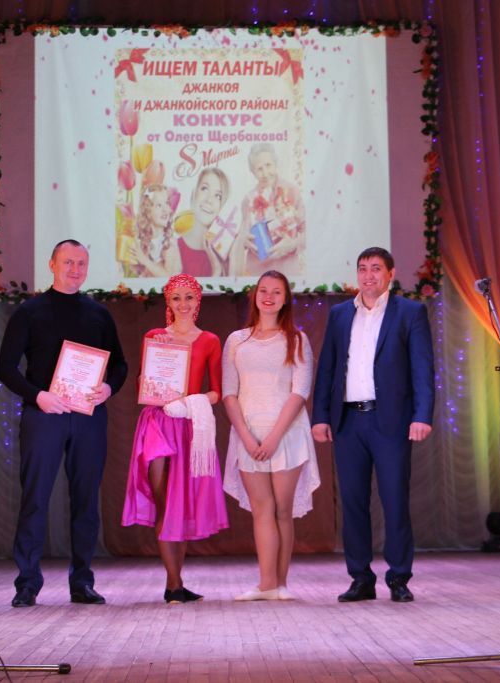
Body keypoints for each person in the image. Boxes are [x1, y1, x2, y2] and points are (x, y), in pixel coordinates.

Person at [0, 239, 128, 608]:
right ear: (52, 264)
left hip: (89, 418)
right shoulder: (29, 312)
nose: (75, 269)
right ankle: (27, 583)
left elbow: (120, 364)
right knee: (35, 498)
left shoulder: (99, 314)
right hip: (44, 415)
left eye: (81, 263)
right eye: (68, 262)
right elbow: (5, 368)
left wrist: (108, 388)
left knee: (86, 500)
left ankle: (82, 582)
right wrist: (37, 395)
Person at [311, 247, 434, 603]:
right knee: (352, 503)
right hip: (348, 421)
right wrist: (321, 416)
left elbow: (422, 369)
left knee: (394, 500)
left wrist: (422, 415)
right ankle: (360, 578)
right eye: (363, 269)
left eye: (376, 269)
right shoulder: (340, 314)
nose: (368, 276)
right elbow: (328, 368)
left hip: (390, 421)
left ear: (390, 274)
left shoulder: (409, 312)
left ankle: (398, 577)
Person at [122, 274, 229, 602]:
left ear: (198, 301)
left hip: (189, 426)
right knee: (165, 503)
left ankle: (175, 585)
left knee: (180, 505)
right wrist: (151, 384)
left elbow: (217, 391)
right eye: (176, 298)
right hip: (158, 425)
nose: (183, 304)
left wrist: (190, 402)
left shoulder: (209, 340)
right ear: (168, 302)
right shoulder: (154, 337)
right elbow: (142, 382)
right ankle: (173, 583)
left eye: (189, 297)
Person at [222, 271, 320, 601]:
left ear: (285, 298)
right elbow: (229, 393)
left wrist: (275, 436)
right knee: (261, 509)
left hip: (287, 434)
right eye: (263, 290)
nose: (269, 296)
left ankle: (281, 584)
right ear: (255, 295)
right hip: (248, 433)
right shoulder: (237, 340)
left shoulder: (296, 339)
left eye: (276, 292)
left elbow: (300, 391)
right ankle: (266, 585)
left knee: (282, 510)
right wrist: (246, 437)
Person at [231, 143, 305, 277]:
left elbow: (308, 234)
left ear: (275, 164)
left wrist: (293, 244)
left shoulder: (292, 191)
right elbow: (242, 234)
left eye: (268, 165)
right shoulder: (248, 200)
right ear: (253, 172)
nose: (265, 173)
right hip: (257, 274)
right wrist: (244, 240)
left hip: (287, 272)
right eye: (259, 169)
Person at [177, 167, 233, 277]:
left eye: (218, 196)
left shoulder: (225, 254)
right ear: (194, 193)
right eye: (204, 189)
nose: (209, 200)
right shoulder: (173, 248)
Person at [132, 184, 181, 277]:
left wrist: (144, 260)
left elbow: (167, 277)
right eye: (159, 205)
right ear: (148, 211)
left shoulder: (168, 243)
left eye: (167, 203)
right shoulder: (142, 239)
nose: (166, 210)